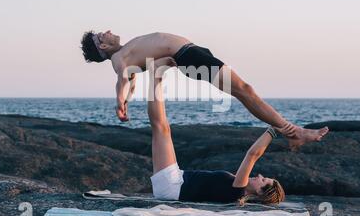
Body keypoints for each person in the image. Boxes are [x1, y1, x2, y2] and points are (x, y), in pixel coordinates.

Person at [80, 30, 329, 150]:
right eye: (103, 34)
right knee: (244, 90)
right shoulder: (118, 58)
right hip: (187, 55)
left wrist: (126, 96)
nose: (109, 31)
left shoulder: (126, 51)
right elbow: (123, 79)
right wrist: (120, 101)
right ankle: (294, 132)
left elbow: (130, 80)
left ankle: (291, 132)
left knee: (243, 90)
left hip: (193, 52)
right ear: (102, 45)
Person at [147, 59, 285, 204]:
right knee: (161, 128)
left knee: (161, 128)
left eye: (263, 180)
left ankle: (156, 74)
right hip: (174, 183)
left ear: (259, 192)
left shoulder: (238, 190)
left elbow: (252, 155)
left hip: (173, 185)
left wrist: (274, 129)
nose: (259, 176)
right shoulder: (236, 192)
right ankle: (156, 74)